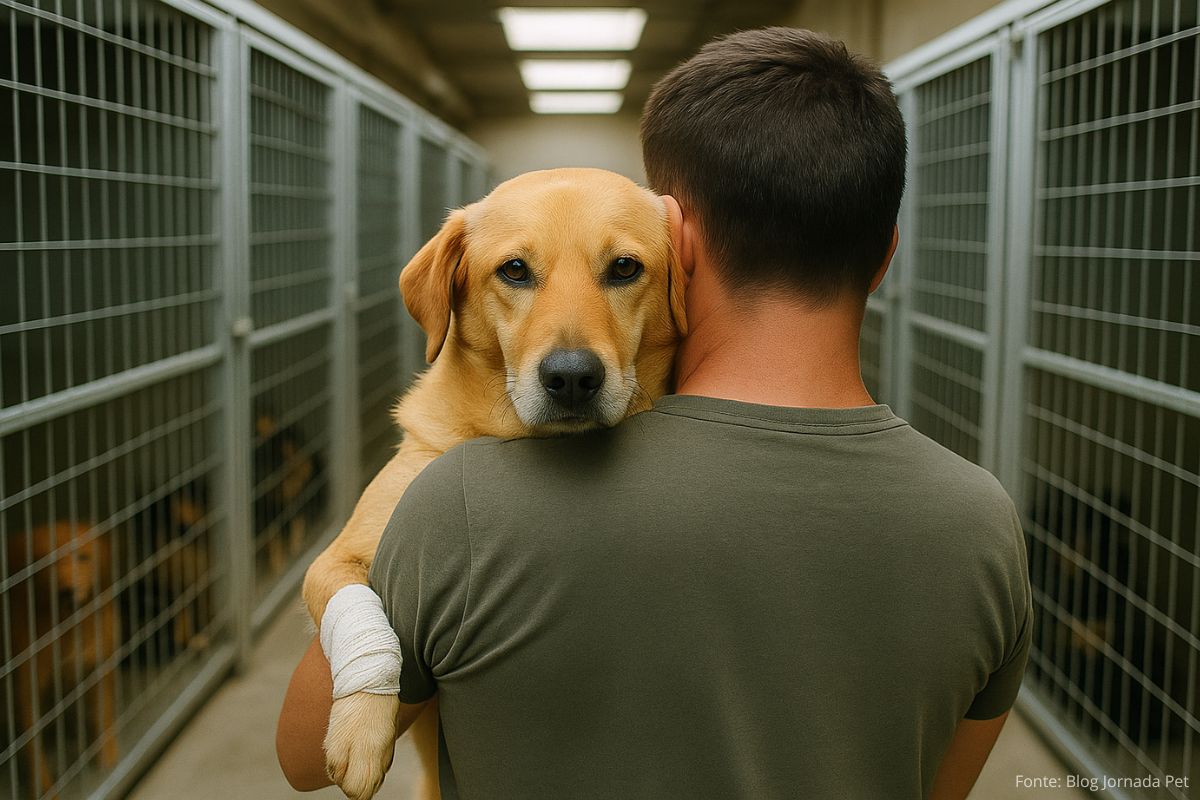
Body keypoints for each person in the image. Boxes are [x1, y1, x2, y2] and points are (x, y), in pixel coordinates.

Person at [276, 27, 1031, 800]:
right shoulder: (986, 526)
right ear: (885, 255)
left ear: (684, 253)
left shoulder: (459, 509)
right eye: (518, 274)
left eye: (624, 269)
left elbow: (304, 759)